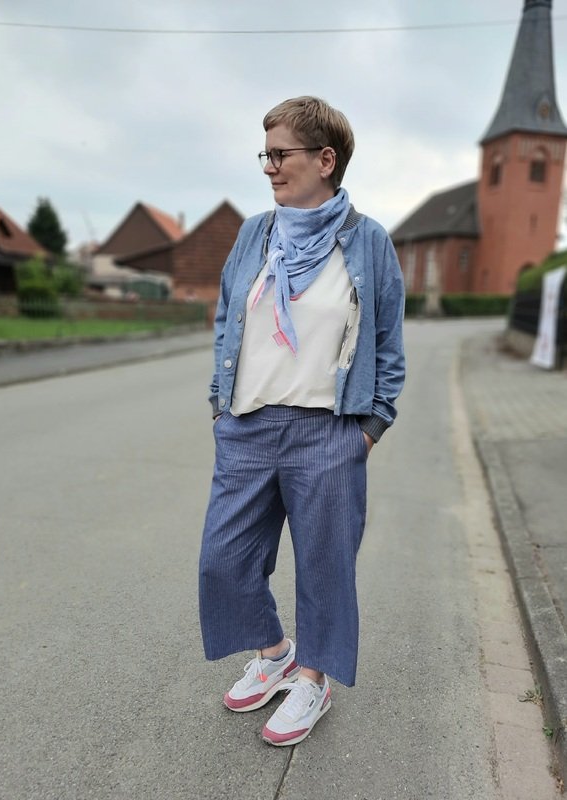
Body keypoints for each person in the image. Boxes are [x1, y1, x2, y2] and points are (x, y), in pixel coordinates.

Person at [199, 96, 405, 747]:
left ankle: (312, 678)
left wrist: (368, 428)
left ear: (325, 159)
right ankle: (275, 652)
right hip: (247, 426)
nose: (268, 166)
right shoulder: (254, 235)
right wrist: (220, 406)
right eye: (265, 153)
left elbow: (388, 345)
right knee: (223, 559)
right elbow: (227, 318)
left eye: (280, 153)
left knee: (323, 568)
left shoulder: (368, 242)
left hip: (328, 432)